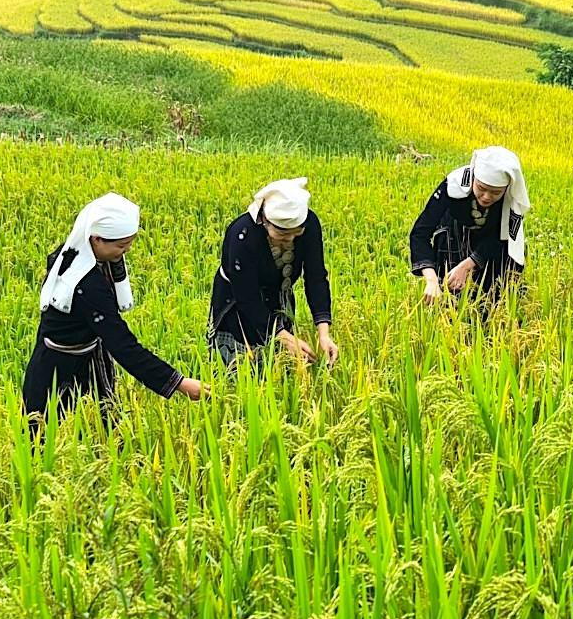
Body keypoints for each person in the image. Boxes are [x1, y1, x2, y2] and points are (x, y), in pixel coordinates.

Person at [22, 192, 206, 435]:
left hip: (90, 359)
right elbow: (124, 346)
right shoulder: (87, 285)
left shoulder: (78, 251)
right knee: (44, 440)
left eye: (130, 242)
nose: (127, 250)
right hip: (58, 371)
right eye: (121, 245)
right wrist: (180, 383)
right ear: (96, 239)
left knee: (104, 435)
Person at [208, 178, 338, 370]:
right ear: (264, 221)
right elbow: (247, 297)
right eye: (284, 236)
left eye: (296, 234)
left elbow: (316, 277)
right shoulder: (242, 235)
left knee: (280, 366)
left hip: (278, 297)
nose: (290, 240)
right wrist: (284, 336)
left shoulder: (310, 225)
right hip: (236, 302)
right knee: (240, 371)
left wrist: (323, 333)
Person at [410, 146, 529, 304]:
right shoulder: (452, 186)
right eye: (481, 188)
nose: (486, 197)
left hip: (491, 253)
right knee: (449, 303)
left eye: (495, 192)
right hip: (453, 242)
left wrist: (467, 265)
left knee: (491, 303)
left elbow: (501, 239)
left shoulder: (508, 200)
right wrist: (431, 280)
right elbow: (420, 233)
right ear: (473, 178)